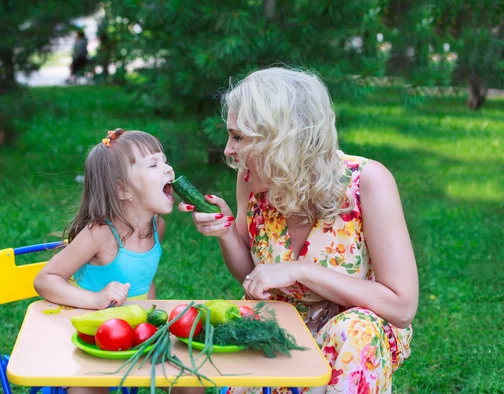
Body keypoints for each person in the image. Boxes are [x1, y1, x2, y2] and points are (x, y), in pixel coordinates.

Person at [178, 67, 418, 394]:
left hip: (348, 340)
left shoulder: (368, 182)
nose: (227, 151)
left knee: (357, 330)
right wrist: (226, 234)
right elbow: (253, 276)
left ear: (282, 139)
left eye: (238, 137)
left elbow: (401, 307)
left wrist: (302, 271)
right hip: (277, 330)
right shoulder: (252, 180)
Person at [34, 128, 176, 394]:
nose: (168, 169)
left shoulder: (158, 227)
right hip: (90, 338)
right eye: (154, 164)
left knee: (188, 380)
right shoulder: (100, 234)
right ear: (122, 190)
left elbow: (144, 279)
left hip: (133, 334)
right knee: (90, 389)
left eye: (165, 160)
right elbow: (45, 280)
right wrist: (95, 299)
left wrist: (152, 318)